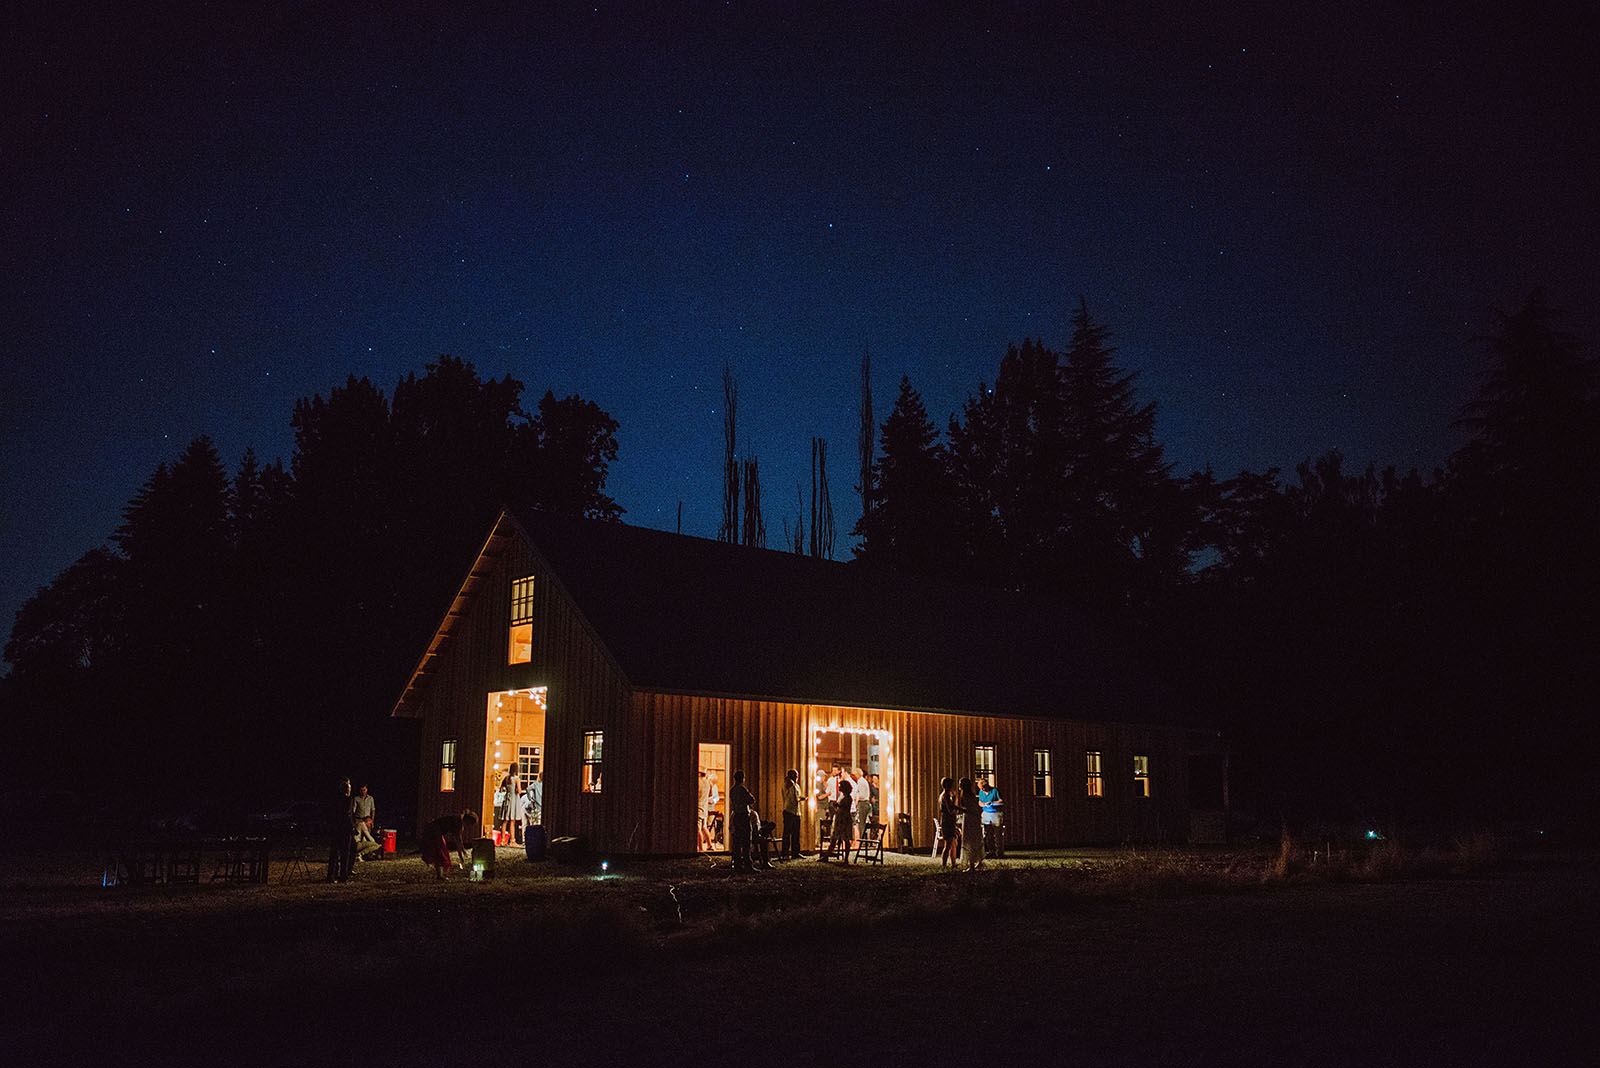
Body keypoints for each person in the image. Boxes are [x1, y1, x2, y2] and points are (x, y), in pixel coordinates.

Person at [420, 810, 474, 879]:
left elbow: (459, 840)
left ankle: (439, 874)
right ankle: (440, 875)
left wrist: (463, 850)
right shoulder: (458, 823)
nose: (470, 826)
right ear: (468, 820)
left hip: (434, 830)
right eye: (471, 824)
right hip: (435, 831)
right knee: (440, 853)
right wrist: (461, 856)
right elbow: (458, 840)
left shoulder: (458, 819)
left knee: (440, 852)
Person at [326, 777, 356, 883]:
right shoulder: (348, 800)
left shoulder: (334, 799)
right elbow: (348, 815)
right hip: (344, 830)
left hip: (335, 829)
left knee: (334, 853)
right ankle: (343, 875)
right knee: (344, 854)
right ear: (347, 789)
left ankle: (331, 875)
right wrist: (352, 827)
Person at [728, 770, 756, 872]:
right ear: (742, 778)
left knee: (736, 841)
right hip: (744, 815)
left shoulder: (732, 790)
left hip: (736, 816)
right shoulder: (742, 789)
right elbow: (751, 799)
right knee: (746, 840)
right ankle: (748, 864)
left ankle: (737, 864)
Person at [960, 777, 985, 872]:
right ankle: (977, 863)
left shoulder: (966, 796)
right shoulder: (971, 795)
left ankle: (972, 865)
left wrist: (957, 808)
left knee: (969, 839)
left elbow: (968, 808)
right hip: (972, 818)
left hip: (969, 818)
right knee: (974, 839)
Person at [352, 782, 380, 861]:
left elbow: (373, 810)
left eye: (364, 790)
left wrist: (371, 821)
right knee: (365, 838)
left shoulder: (370, 798)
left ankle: (365, 855)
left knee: (366, 837)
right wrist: (378, 845)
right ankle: (361, 854)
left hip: (368, 819)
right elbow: (353, 811)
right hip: (359, 819)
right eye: (361, 790)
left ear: (367, 790)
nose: (363, 791)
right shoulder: (356, 799)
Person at [938, 777, 961, 868]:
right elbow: (951, 810)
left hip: (949, 821)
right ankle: (944, 864)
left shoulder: (945, 795)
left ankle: (953, 863)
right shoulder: (946, 796)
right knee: (948, 843)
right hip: (947, 821)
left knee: (954, 842)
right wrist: (955, 799)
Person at [978, 777, 1004, 857]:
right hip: (986, 813)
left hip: (996, 813)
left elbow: (1001, 800)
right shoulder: (981, 792)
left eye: (983, 788)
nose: (982, 789)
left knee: (997, 833)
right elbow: (980, 801)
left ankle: (999, 852)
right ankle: (991, 851)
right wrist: (982, 804)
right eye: (981, 788)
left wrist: (992, 802)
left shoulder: (994, 791)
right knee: (988, 833)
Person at [781, 768, 803, 860]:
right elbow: (792, 796)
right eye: (795, 775)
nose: (797, 777)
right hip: (789, 811)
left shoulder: (796, 786)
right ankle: (785, 853)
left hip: (796, 811)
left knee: (796, 834)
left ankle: (795, 852)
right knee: (787, 833)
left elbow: (797, 797)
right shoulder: (788, 784)